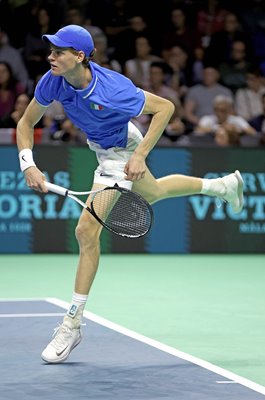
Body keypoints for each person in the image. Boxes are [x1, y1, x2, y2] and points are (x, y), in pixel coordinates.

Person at [16, 25, 244, 364]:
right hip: (103, 146)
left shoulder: (113, 90)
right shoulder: (53, 80)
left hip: (121, 149)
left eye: (59, 51)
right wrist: (27, 165)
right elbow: (25, 123)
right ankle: (222, 186)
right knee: (151, 193)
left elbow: (165, 107)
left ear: (80, 56)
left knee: (85, 231)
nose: (51, 56)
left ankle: (72, 323)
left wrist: (138, 156)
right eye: (51, 50)